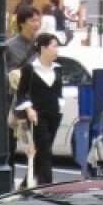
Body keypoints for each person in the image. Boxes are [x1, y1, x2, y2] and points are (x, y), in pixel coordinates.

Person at [14, 31, 63, 186]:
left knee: (43, 150)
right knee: (45, 151)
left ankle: (24, 184)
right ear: (43, 48)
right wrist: (29, 109)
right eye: (54, 46)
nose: (56, 50)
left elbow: (58, 91)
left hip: (54, 114)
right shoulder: (30, 68)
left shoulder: (58, 68)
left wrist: (60, 106)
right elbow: (22, 92)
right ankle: (46, 187)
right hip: (36, 116)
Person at [5, 2, 41, 79]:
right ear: (22, 23)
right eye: (32, 21)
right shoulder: (9, 46)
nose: (36, 24)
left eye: (38, 20)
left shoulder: (41, 44)